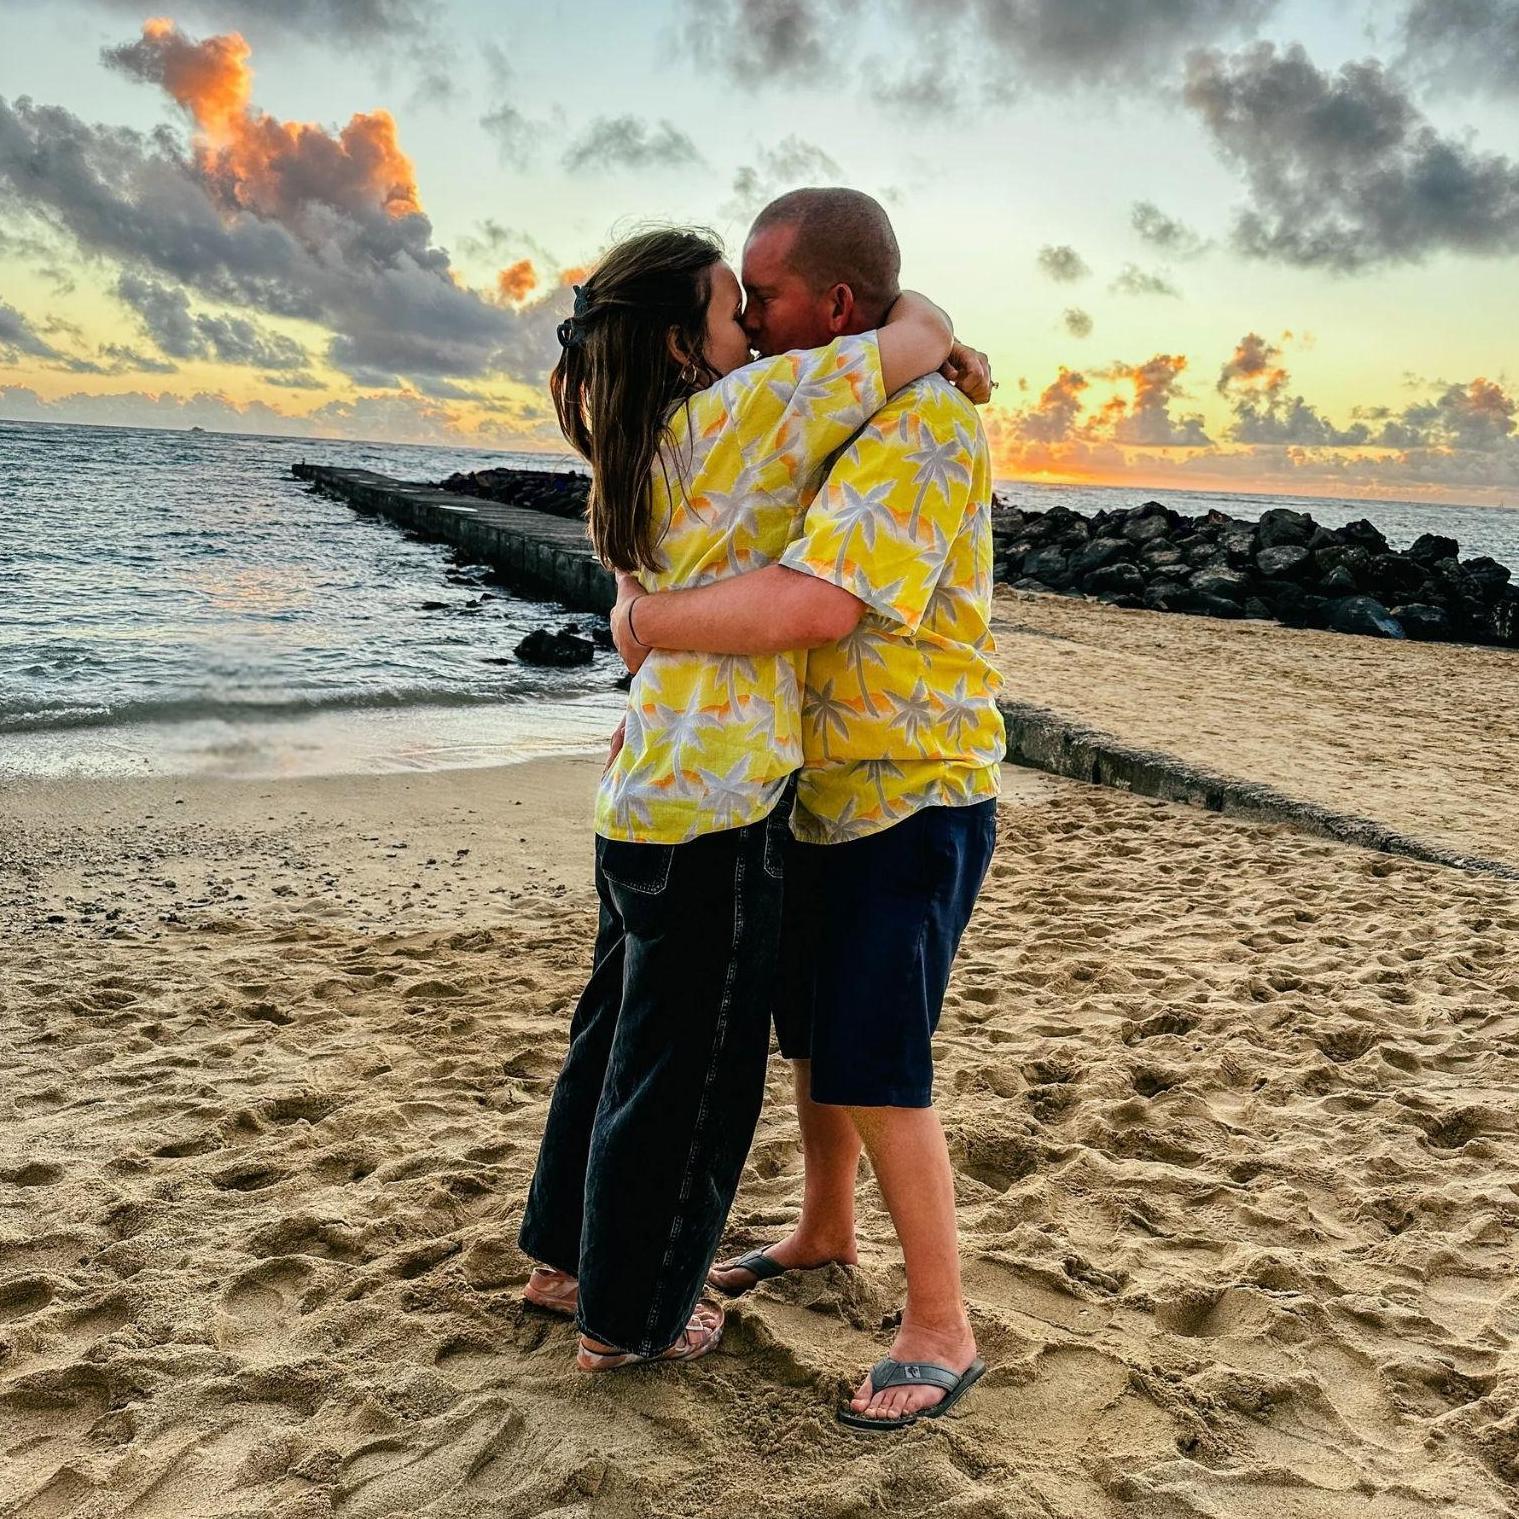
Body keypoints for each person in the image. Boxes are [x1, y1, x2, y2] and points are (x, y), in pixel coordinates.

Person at [517, 223, 968, 1373]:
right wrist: (930, 334)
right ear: (683, 343)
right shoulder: (745, 417)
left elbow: (637, 623)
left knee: (609, 1038)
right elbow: (914, 334)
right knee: (692, 1081)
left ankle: (562, 1259)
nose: (752, 328)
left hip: (639, 791)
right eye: (734, 309)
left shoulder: (624, 450)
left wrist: (643, 629)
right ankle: (630, 1319)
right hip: (718, 805)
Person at [610, 188, 1006, 1427]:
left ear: (834, 305)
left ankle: (940, 1319)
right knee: (818, 1035)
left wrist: (647, 627)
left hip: (913, 782)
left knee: (880, 1055)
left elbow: (822, 600)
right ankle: (825, 1229)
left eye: (764, 296)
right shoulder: (852, 395)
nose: (753, 317)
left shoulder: (926, 423)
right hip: (811, 786)